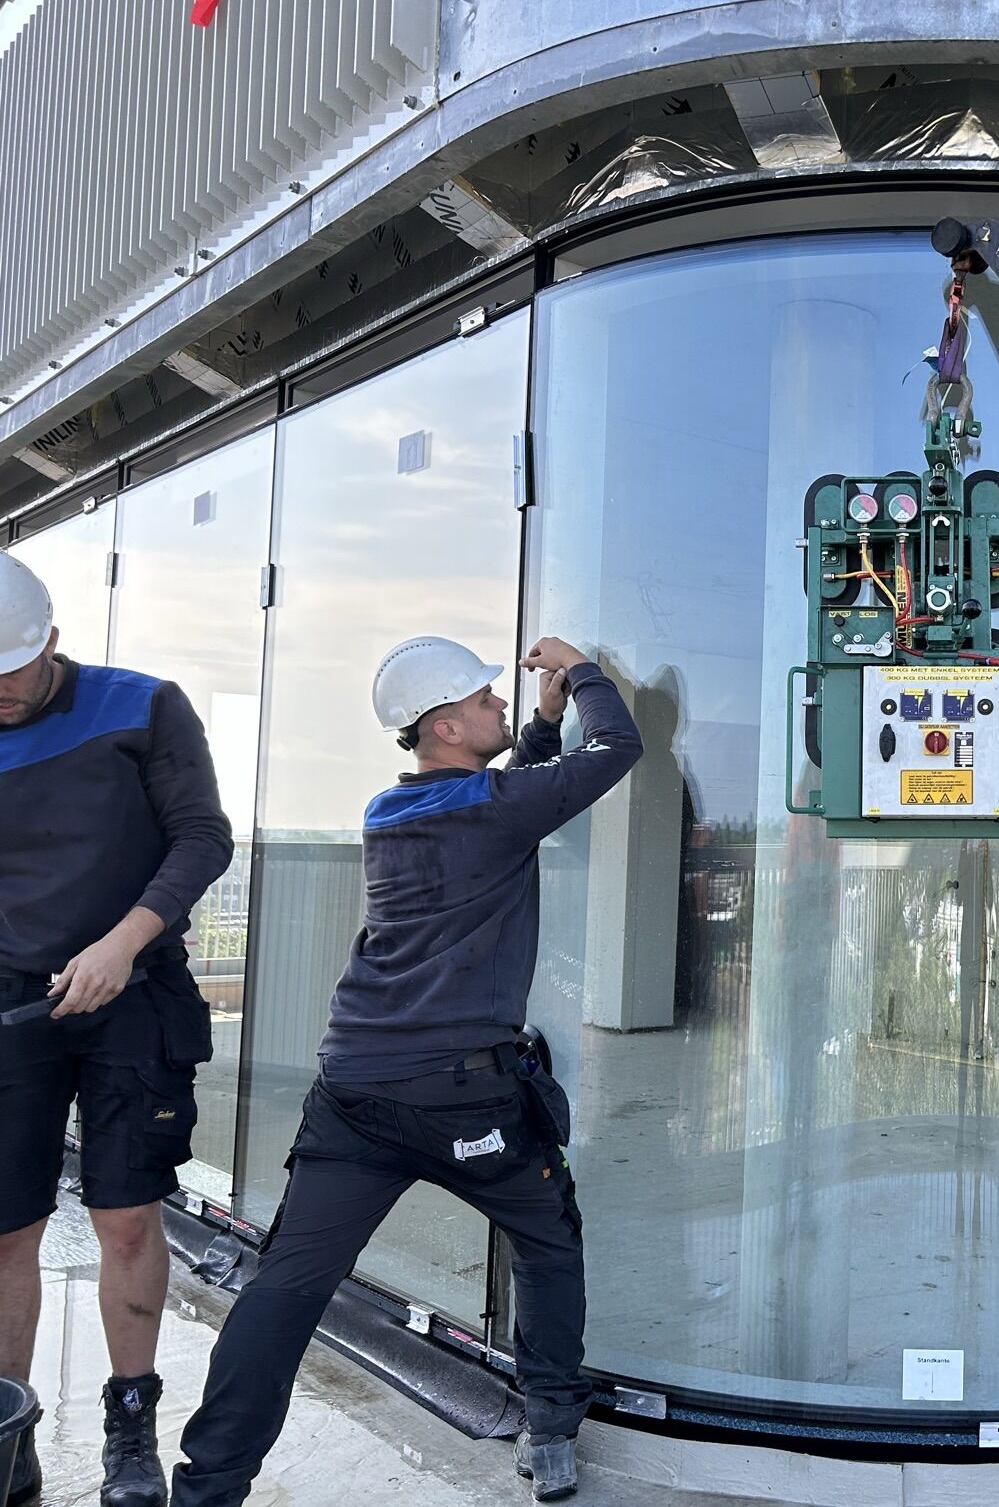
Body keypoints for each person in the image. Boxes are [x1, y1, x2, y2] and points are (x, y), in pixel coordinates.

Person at [170, 634, 642, 1506]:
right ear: (448, 726)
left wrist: (540, 728)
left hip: (352, 1090)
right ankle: (549, 1430)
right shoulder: (491, 807)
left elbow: (502, 804)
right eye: (487, 701)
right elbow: (617, 747)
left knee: (287, 1287)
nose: (503, 706)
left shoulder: (391, 809)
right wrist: (581, 673)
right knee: (546, 1240)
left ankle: (208, 1487)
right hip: (463, 1099)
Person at [0, 551, 234, 1507]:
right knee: (7, 1231)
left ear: (51, 641)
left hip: (133, 992)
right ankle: (9, 1436)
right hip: (12, 1005)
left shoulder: (142, 707)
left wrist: (122, 943)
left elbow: (203, 836)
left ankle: (129, 1427)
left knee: (126, 1217)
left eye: (9, 671)